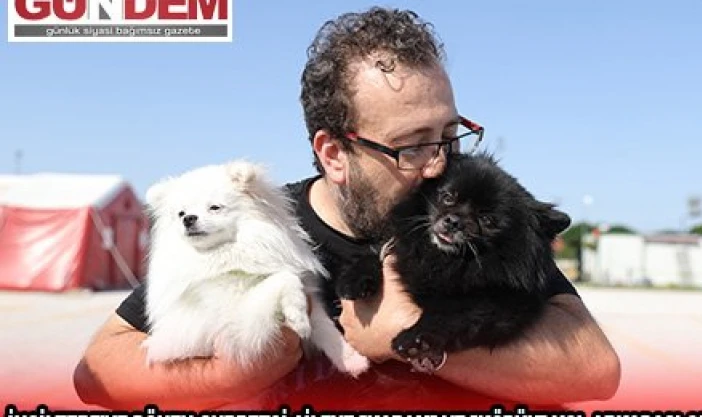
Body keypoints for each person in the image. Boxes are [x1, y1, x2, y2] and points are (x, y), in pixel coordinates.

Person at [73, 6, 620, 411]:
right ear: (334, 154)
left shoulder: (474, 216)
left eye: (450, 135)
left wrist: (407, 333)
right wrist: (234, 374)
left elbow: (594, 369)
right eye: (412, 145)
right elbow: (98, 372)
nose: (439, 166)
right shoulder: (257, 223)